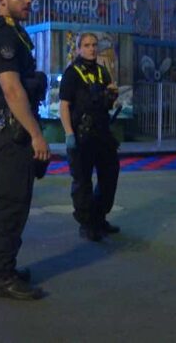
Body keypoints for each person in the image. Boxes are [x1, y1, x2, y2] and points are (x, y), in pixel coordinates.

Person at [0, 0, 49, 300]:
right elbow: (12, 89)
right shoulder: (2, 36)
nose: (29, 0)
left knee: (16, 202)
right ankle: (0, 275)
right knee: (10, 203)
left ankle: (3, 266)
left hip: (11, 126)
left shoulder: (13, 33)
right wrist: (37, 135)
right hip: (13, 130)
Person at [59, 32, 120, 241]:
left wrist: (112, 96)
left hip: (102, 133)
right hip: (81, 135)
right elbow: (64, 106)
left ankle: (99, 218)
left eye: (94, 45)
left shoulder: (103, 72)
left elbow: (105, 105)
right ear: (78, 49)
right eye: (86, 45)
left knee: (109, 178)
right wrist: (69, 134)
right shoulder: (72, 73)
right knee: (82, 183)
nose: (91, 49)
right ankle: (86, 224)